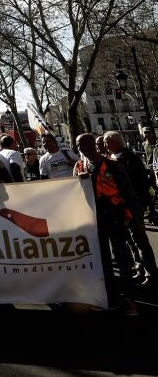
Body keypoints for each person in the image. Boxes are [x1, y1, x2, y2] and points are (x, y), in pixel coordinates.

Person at [75, 133, 141, 315]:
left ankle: (129, 299)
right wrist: (79, 182)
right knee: (103, 260)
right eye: (78, 146)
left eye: (84, 144)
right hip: (95, 221)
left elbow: (128, 191)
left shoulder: (112, 165)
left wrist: (135, 218)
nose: (81, 149)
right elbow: (74, 194)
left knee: (122, 257)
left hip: (115, 218)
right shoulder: (79, 166)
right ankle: (111, 297)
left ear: (92, 144)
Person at [103, 130, 158, 283]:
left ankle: (151, 273)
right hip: (119, 208)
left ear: (116, 142)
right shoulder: (109, 159)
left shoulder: (131, 159)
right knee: (130, 241)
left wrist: (144, 205)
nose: (104, 145)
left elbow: (142, 183)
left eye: (106, 141)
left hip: (133, 207)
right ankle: (140, 269)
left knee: (140, 241)